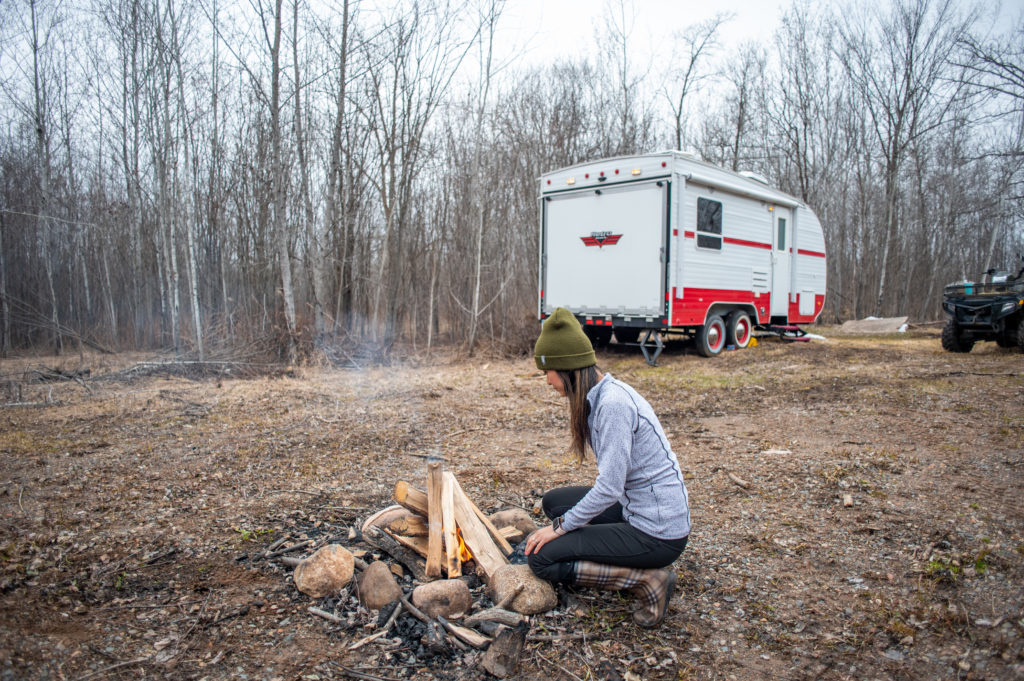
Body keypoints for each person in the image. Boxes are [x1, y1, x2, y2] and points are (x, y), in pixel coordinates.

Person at [524, 308, 691, 627]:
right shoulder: (599, 395)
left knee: (540, 558)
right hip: (636, 507)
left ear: (569, 368)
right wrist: (563, 523)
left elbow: (609, 488)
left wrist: (559, 529)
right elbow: (614, 486)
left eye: (549, 371)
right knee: (554, 502)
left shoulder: (613, 405)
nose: (547, 381)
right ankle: (609, 556)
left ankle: (647, 581)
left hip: (657, 532)